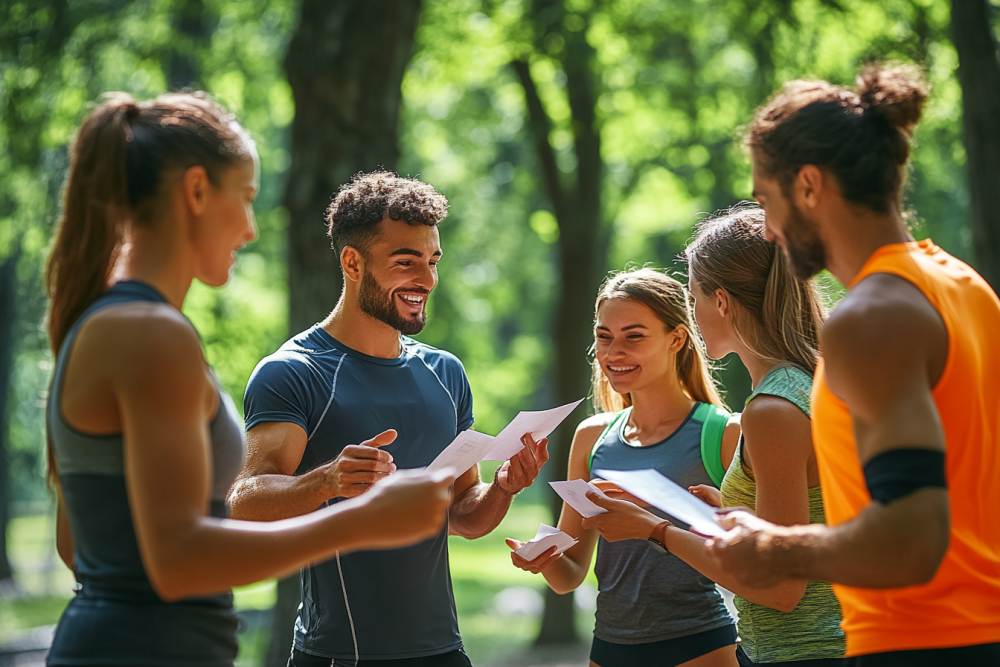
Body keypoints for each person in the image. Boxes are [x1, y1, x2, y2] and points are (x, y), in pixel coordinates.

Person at [44, 93, 454, 667]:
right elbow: (179, 558)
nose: (250, 229)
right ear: (195, 192)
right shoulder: (148, 333)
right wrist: (359, 521)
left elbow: (78, 547)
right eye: (246, 199)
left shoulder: (118, 323)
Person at [704, 64, 1000, 666]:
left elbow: (912, 537)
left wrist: (781, 549)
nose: (767, 228)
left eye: (767, 200)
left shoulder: (868, 318)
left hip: (922, 643)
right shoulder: (965, 286)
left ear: (808, 185)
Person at [227, 170, 550, 667]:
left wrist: (505, 486)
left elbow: (462, 514)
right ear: (353, 262)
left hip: (443, 652)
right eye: (406, 262)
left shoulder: (446, 372)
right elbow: (241, 501)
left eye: (432, 260)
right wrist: (325, 481)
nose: (426, 279)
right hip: (341, 654)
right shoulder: (295, 371)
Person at [581, 205, 847, 667]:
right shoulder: (809, 383)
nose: (694, 310)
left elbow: (780, 587)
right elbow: (808, 526)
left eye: (695, 295)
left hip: (803, 653)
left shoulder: (772, 409)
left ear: (721, 302)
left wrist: (653, 529)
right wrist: (730, 514)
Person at [506, 268, 740, 667]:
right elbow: (570, 576)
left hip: (700, 646)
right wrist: (541, 557)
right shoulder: (591, 436)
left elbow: (753, 563)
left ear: (677, 339)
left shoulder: (723, 433)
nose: (614, 353)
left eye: (634, 336)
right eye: (604, 336)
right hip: (609, 649)